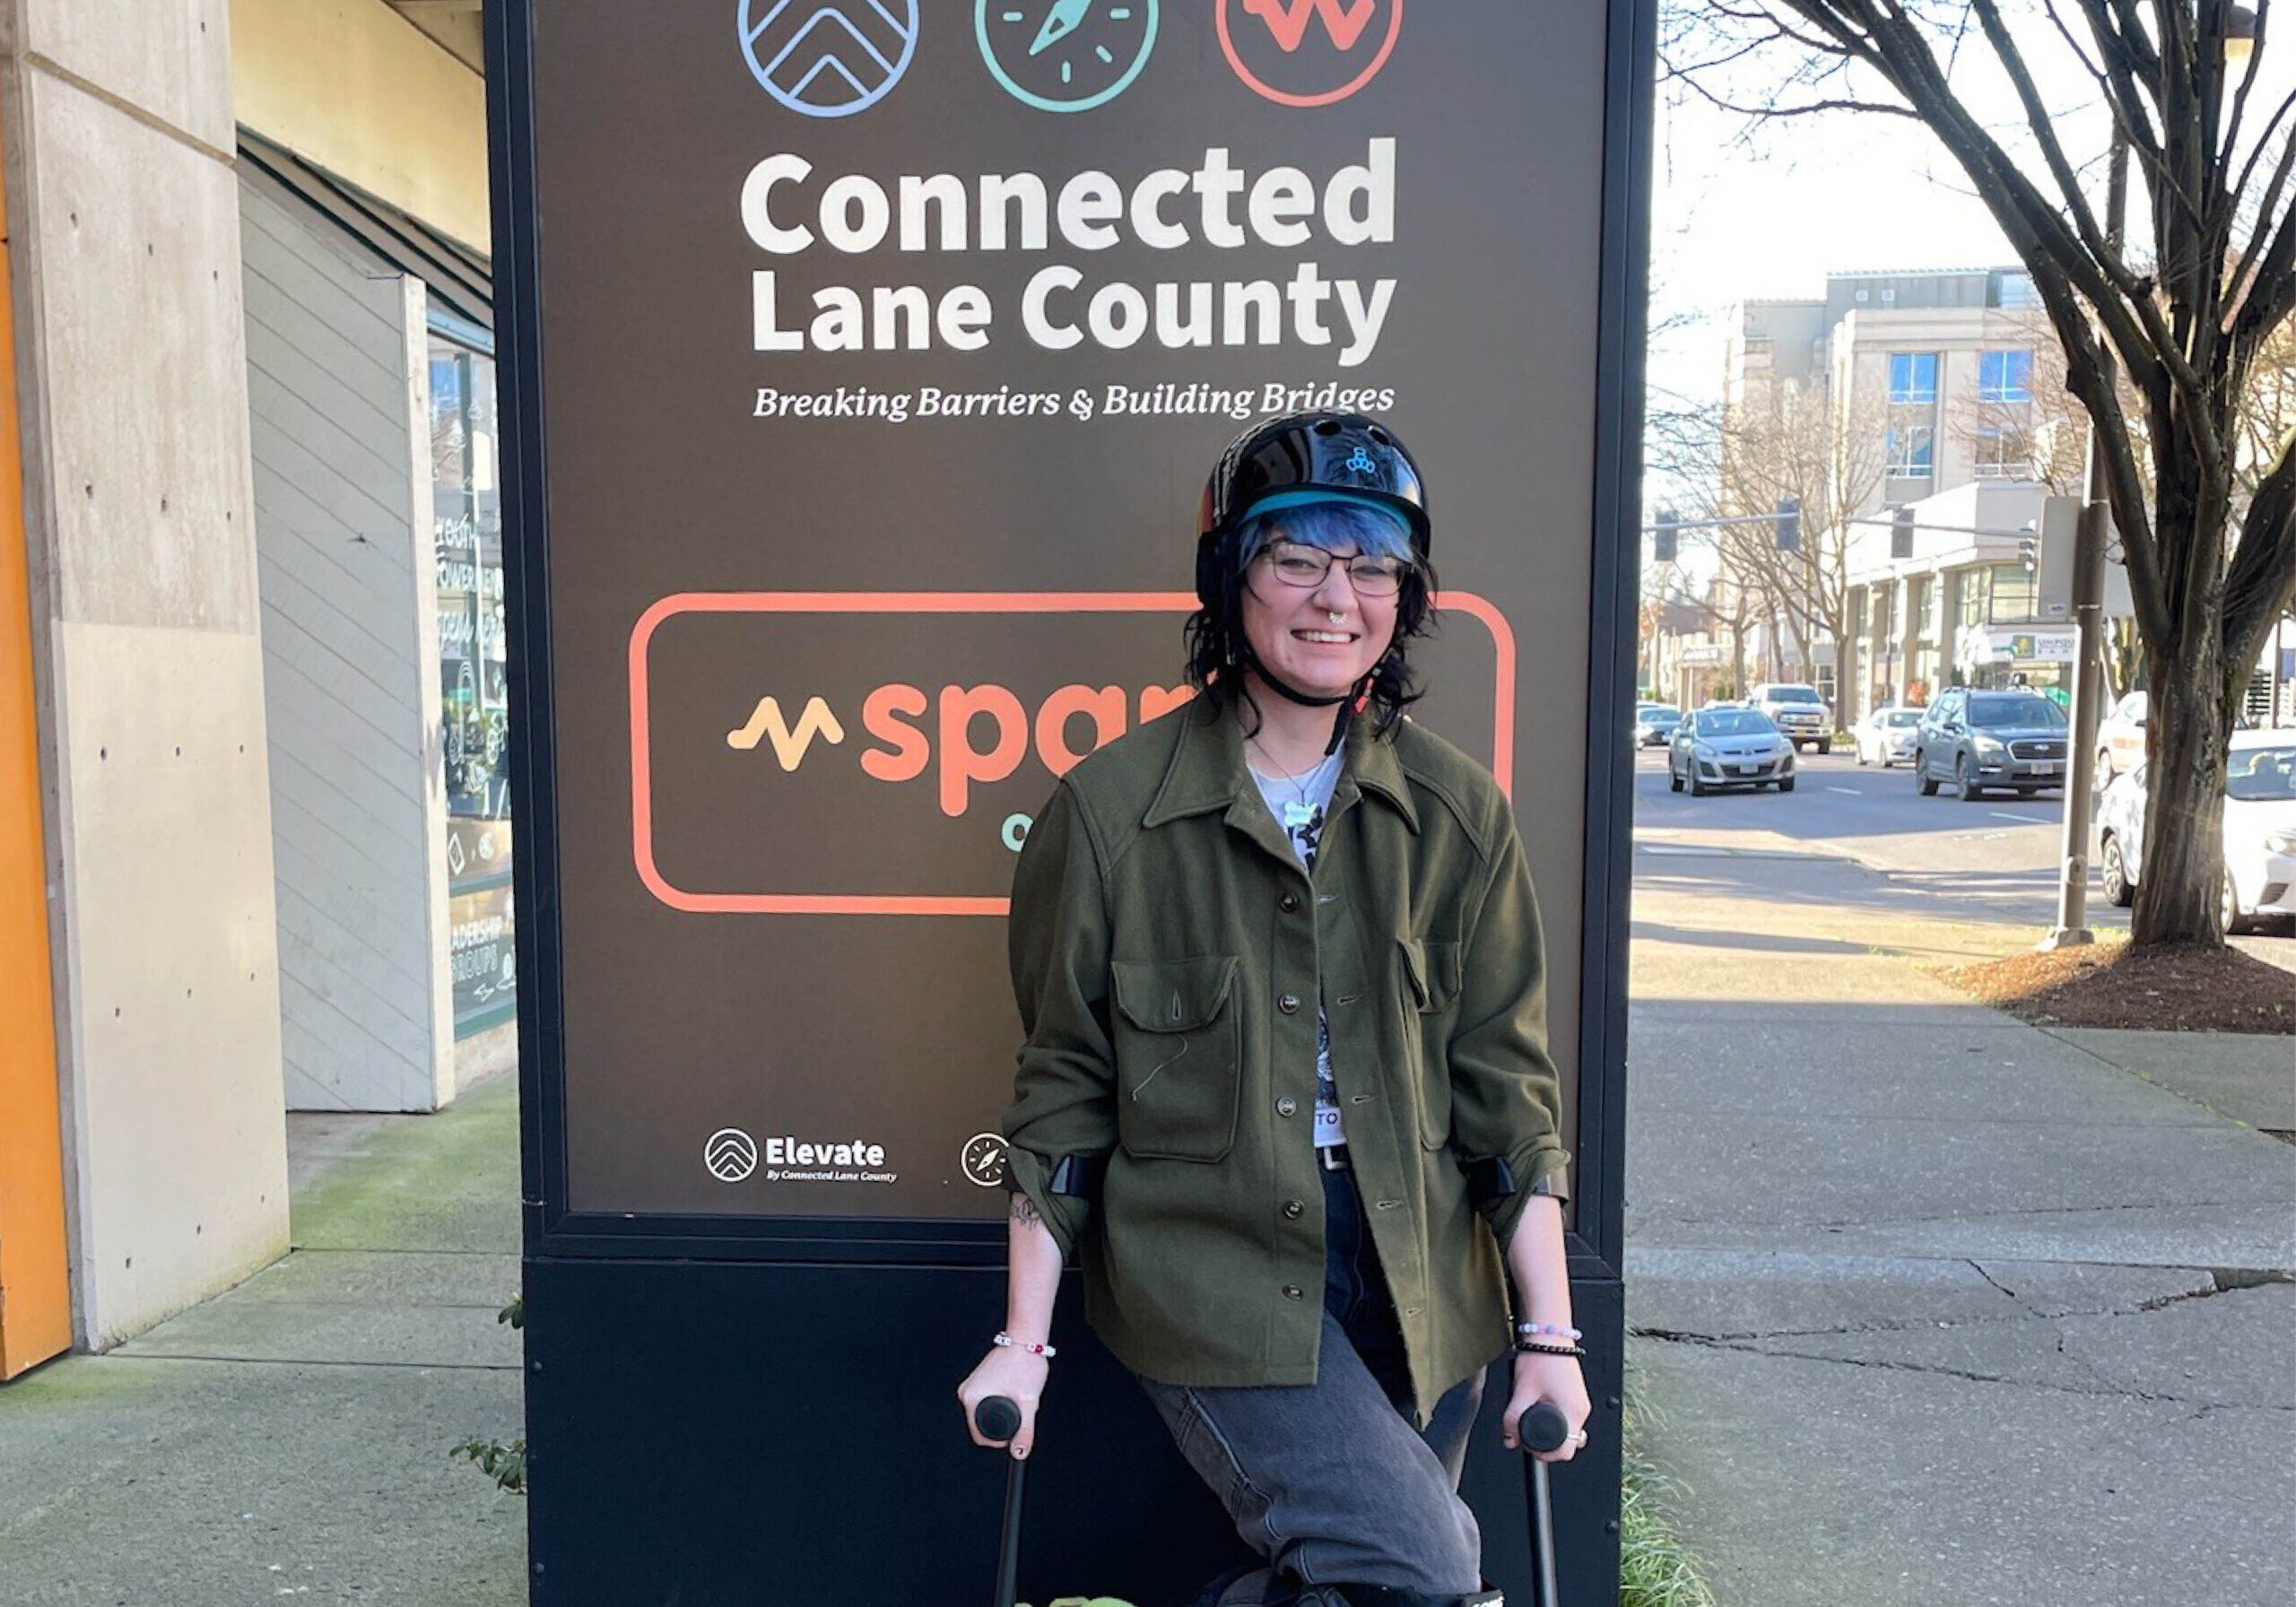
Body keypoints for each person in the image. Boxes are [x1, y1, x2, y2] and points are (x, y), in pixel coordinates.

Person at [957, 413, 1587, 1607]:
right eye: (1296, 557)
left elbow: (1510, 1092)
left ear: (1405, 596)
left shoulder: (1459, 816)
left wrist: (1549, 1339)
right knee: (1424, 1567)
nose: (1334, 597)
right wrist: (1021, 1342)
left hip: (1424, 1277)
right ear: (1230, 576)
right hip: (1215, 1271)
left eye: (1371, 565)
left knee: (1366, 1587)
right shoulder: (1106, 814)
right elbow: (1062, 1093)